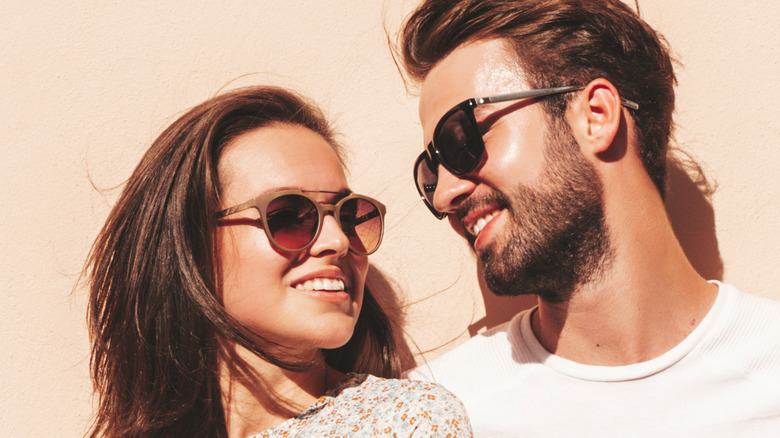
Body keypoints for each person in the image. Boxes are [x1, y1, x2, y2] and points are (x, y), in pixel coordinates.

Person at [397, 0, 780, 436]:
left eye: (462, 138)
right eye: (431, 172)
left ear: (596, 116)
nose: (445, 195)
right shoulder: (431, 412)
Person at [84, 85, 472, 437]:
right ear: (191, 246)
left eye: (350, 216)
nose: (338, 241)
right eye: (287, 216)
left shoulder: (403, 423)